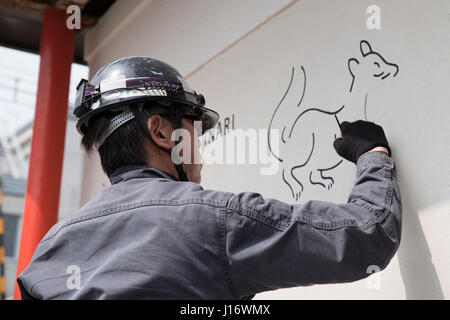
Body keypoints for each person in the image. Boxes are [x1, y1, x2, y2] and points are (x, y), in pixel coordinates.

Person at [17, 57, 401, 299]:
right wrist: (372, 155)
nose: (202, 144)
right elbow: (367, 236)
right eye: (195, 126)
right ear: (162, 132)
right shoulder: (213, 220)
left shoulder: (52, 248)